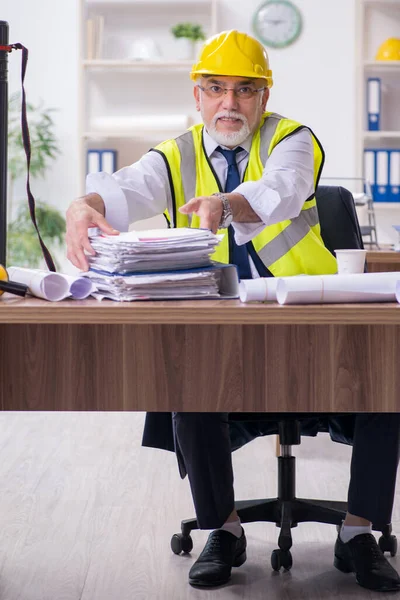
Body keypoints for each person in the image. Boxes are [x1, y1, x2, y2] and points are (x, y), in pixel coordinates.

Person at [66, 30, 400, 592]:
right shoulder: (174, 155)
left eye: (245, 90)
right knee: (187, 387)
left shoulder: (293, 140)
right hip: (219, 334)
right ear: (197, 95)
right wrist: (83, 206)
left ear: (264, 97)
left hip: (307, 329)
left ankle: (358, 536)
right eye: (216, 89)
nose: (230, 103)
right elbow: (124, 190)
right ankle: (223, 529)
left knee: (387, 382)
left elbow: (282, 190)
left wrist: (225, 203)